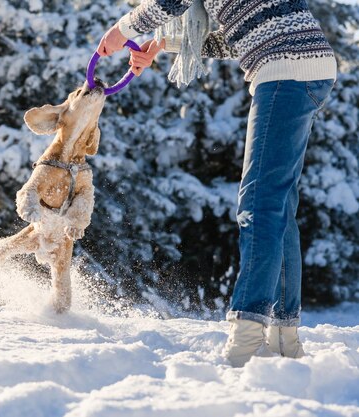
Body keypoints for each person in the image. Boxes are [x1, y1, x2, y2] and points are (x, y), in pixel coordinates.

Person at [97, 0, 337, 367]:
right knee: (277, 206)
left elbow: (167, 3)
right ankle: (284, 337)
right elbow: (241, 38)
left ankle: (246, 335)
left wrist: (122, 30)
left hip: (285, 70)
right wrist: (164, 44)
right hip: (306, 67)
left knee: (258, 204)